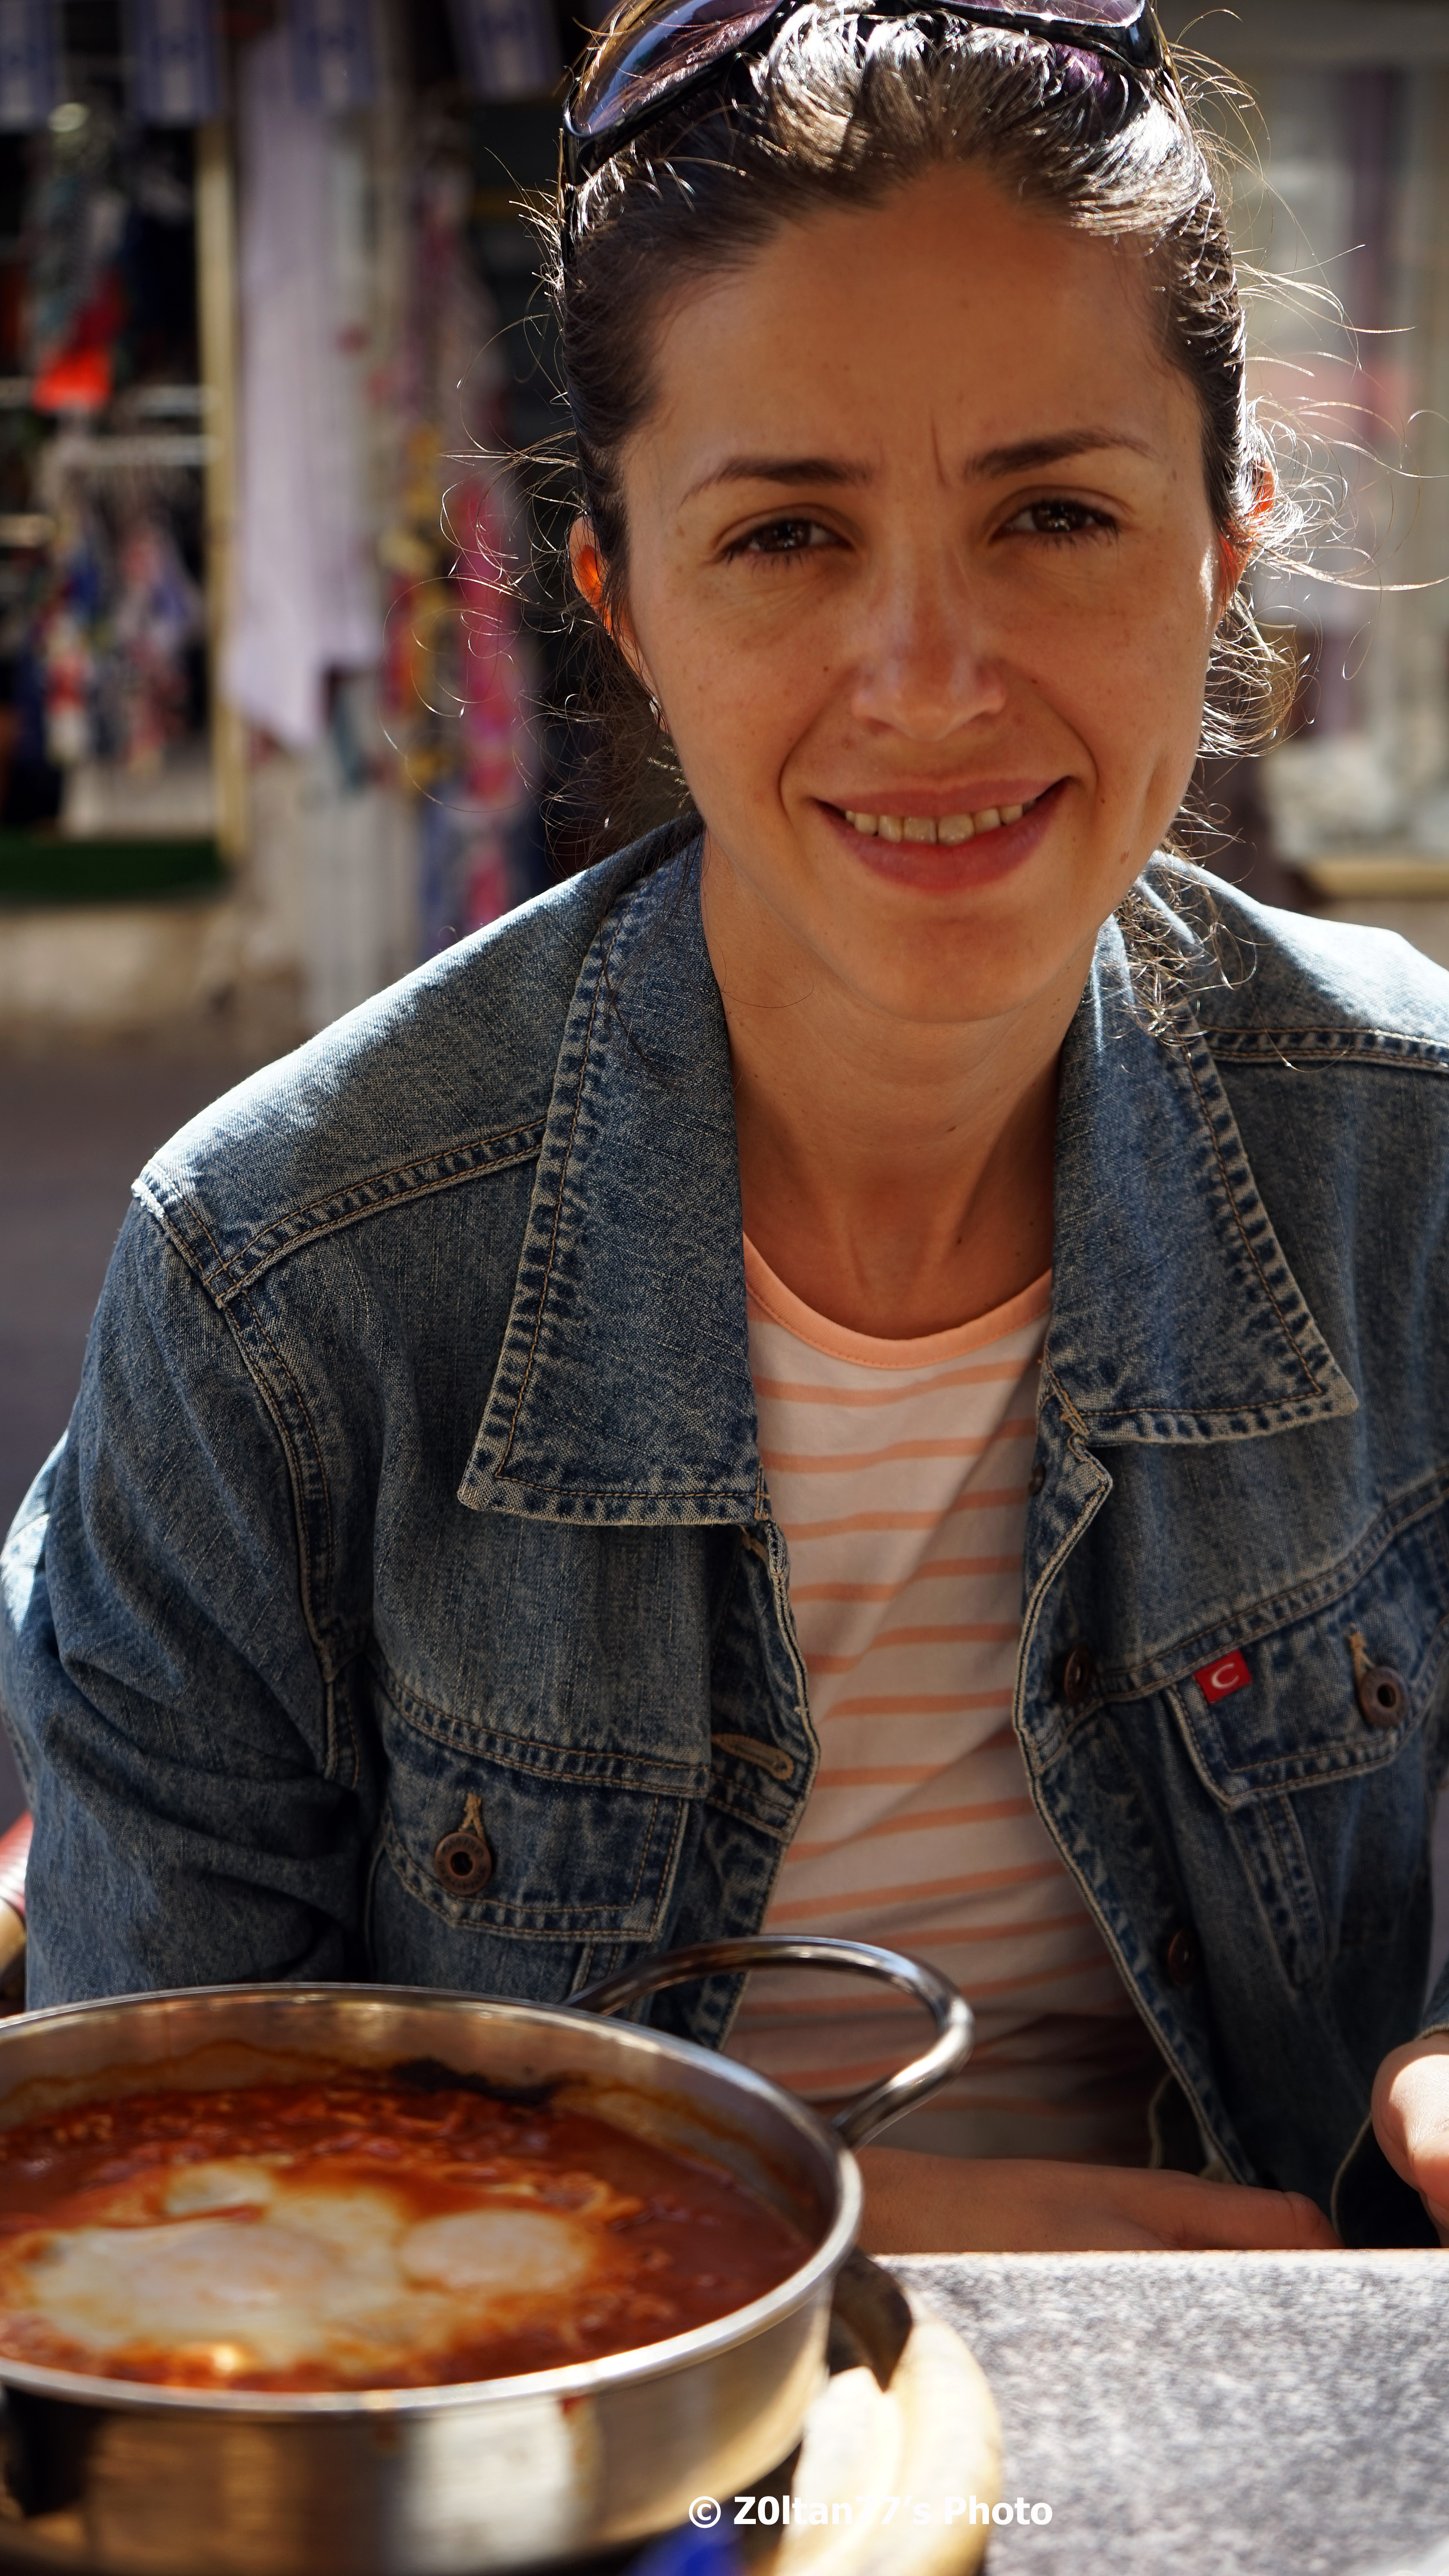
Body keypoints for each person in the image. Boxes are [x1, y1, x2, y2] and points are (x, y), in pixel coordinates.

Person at [3, 0, 1447, 2256]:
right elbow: (162, 2202)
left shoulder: (1413, 1162)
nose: (933, 677)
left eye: (1056, 513)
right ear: (624, 598)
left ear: (1229, 532)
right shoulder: (280, 1291)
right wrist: (932, 2241)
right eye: (786, 536)